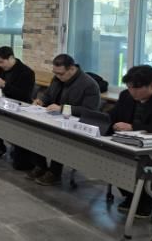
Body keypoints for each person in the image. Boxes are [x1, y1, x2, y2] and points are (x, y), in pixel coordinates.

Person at [28, 54, 101, 186]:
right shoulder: (57, 79)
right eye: (55, 73)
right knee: (34, 128)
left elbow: (90, 111)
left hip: (74, 124)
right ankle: (40, 165)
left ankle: (54, 173)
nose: (58, 76)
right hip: (54, 118)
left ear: (72, 69)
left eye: (61, 74)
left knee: (59, 138)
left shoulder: (89, 85)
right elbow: (49, 95)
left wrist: (63, 108)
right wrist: (41, 101)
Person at [109, 65, 152, 218]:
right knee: (112, 157)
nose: (132, 92)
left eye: (136, 88)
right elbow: (113, 115)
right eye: (129, 87)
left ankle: (146, 202)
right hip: (128, 144)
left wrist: (133, 127)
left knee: (151, 166)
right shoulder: (126, 96)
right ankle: (131, 196)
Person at [0, 46, 36, 159]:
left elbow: (24, 95)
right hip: (3, 103)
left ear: (10, 58)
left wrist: (4, 85)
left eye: (2, 62)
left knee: (19, 163)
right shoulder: (2, 69)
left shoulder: (26, 72)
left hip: (19, 107)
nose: (0, 65)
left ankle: (18, 149)